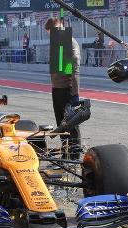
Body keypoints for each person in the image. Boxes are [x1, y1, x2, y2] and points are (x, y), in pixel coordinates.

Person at [45, 17, 81, 159]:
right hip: (57, 88)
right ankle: (66, 152)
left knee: (71, 123)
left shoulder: (70, 42)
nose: (51, 36)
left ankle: (74, 155)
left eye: (53, 32)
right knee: (60, 122)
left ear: (61, 27)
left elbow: (74, 68)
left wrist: (74, 93)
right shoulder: (57, 43)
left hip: (68, 88)